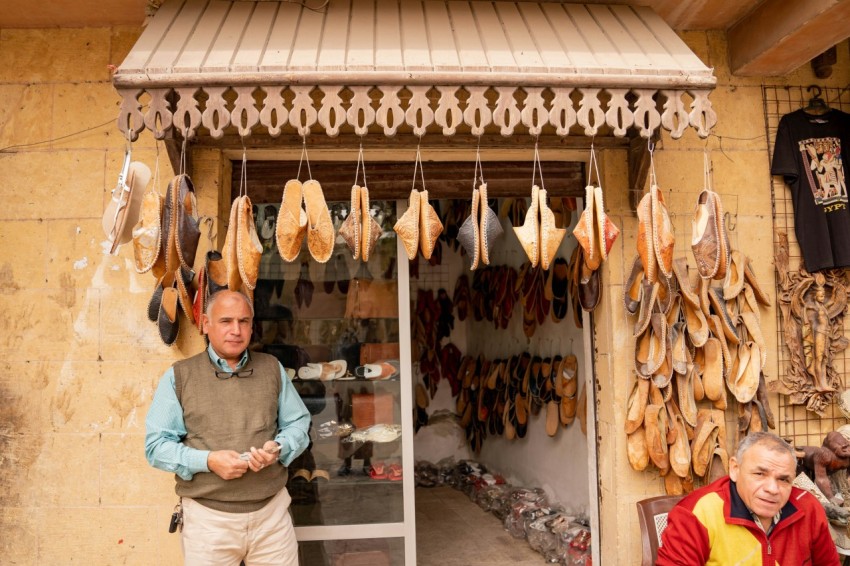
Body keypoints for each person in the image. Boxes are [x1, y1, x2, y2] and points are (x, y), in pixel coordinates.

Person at [145, 290, 311, 565]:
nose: (236, 330)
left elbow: (298, 423)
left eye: (244, 321)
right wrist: (208, 461)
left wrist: (278, 448)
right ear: (206, 324)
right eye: (226, 321)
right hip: (208, 523)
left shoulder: (271, 368)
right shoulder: (180, 376)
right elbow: (156, 447)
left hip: (271, 517)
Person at [657, 431, 839, 565]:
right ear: (735, 469)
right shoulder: (698, 512)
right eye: (760, 474)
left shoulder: (808, 507)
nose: (772, 489)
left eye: (784, 479)